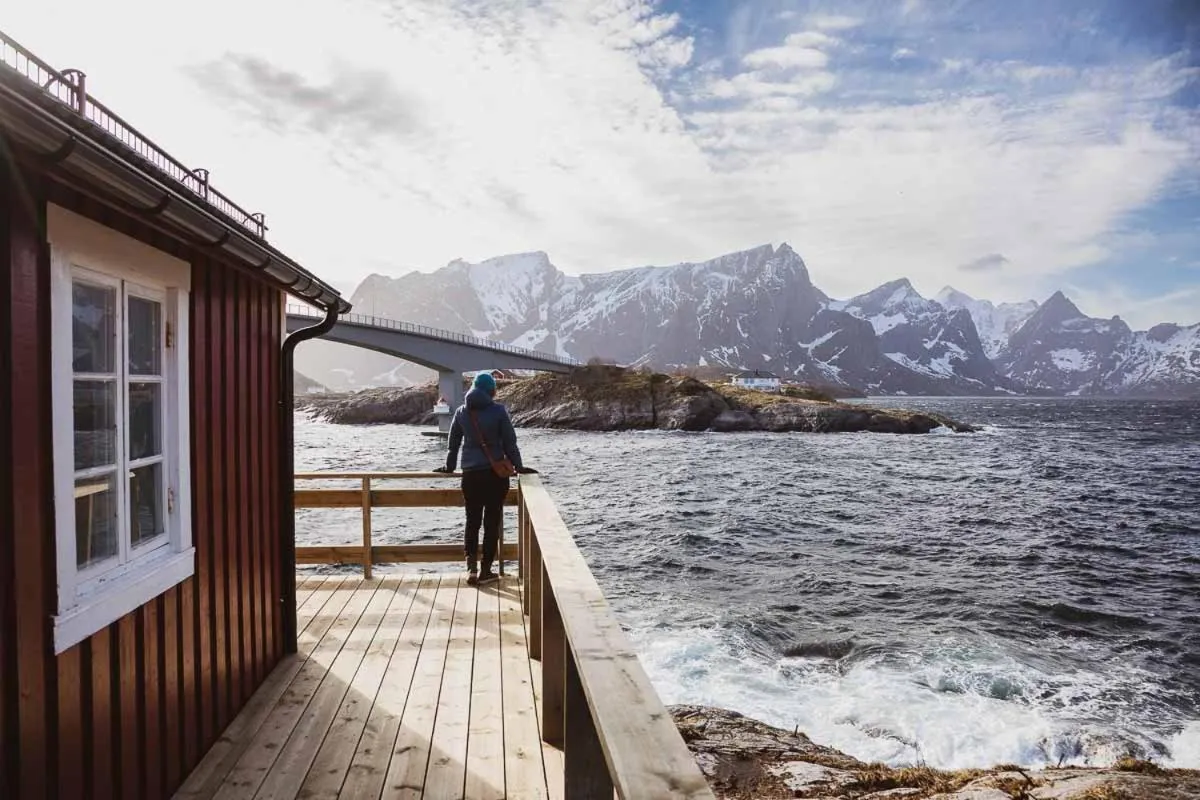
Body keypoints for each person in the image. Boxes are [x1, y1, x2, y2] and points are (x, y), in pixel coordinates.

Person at [434, 373, 536, 586]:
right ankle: (486, 571)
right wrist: (518, 466)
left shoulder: (462, 412)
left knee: (472, 521)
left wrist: (449, 467)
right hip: (494, 475)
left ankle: (470, 569)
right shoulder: (498, 411)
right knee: (492, 522)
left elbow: (453, 444)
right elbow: (510, 443)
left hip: (470, 474)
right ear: (491, 391)